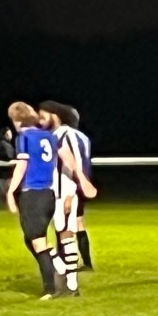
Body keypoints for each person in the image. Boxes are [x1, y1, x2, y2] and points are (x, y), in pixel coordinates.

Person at [38, 101, 98, 295]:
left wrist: (71, 195)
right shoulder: (74, 135)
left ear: (55, 115)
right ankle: (69, 282)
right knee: (64, 235)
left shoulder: (66, 135)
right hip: (61, 191)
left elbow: (75, 165)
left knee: (57, 235)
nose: (40, 120)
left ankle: (69, 280)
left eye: (43, 115)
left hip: (65, 191)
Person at [5, 102, 59, 299]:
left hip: (33, 195)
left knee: (37, 242)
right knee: (31, 238)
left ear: (17, 120)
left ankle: (51, 288)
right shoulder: (49, 136)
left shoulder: (24, 137)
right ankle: (56, 270)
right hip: (48, 194)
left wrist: (10, 191)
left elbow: (23, 165)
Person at [61, 104, 95, 270]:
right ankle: (86, 263)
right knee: (78, 223)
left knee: (64, 225)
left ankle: (66, 262)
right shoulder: (83, 137)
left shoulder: (64, 135)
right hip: (82, 183)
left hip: (71, 184)